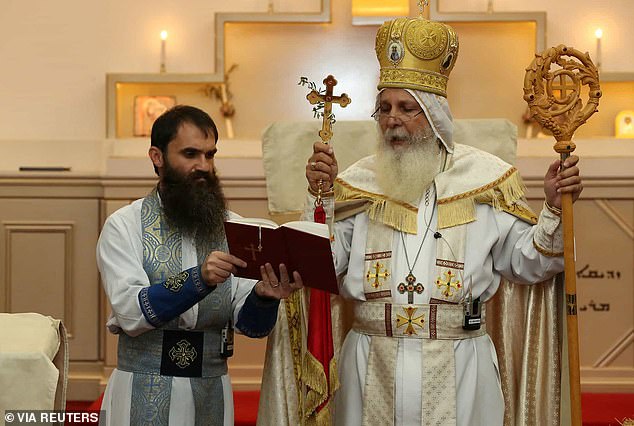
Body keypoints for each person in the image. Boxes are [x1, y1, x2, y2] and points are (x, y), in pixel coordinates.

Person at [260, 17, 583, 426]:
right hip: (369, 362)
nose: (392, 118)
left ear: (433, 114)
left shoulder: (483, 180)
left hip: (460, 363)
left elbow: (529, 262)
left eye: (406, 108)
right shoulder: (359, 183)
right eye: (384, 108)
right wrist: (319, 199)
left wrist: (554, 209)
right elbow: (325, 265)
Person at [97, 105, 302, 425]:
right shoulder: (124, 226)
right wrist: (199, 278)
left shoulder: (233, 228)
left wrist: (264, 296)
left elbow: (251, 326)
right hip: (143, 381)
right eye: (190, 154)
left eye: (210, 155)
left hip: (212, 387)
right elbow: (131, 312)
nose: (203, 166)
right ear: (157, 156)